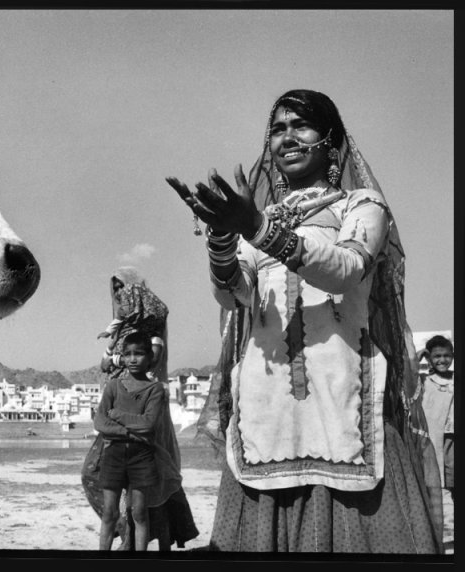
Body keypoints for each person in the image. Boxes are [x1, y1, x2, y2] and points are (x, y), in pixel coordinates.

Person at [166, 89, 443, 553]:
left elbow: (346, 268)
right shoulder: (263, 218)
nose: (287, 137)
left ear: (331, 144)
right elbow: (234, 294)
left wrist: (257, 229)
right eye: (278, 128)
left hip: (343, 396)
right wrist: (219, 237)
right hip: (268, 405)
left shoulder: (360, 205)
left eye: (301, 125)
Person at [83, 268, 198, 551]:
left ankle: (137, 541)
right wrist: (113, 343)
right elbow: (104, 365)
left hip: (143, 415)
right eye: (116, 290)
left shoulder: (151, 327)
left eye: (123, 288)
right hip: (116, 413)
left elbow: (151, 360)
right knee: (94, 476)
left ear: (136, 289)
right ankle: (125, 533)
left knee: (149, 491)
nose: (119, 295)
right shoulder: (120, 328)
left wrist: (117, 357)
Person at [92, 331, 166, 551]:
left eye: (139, 354)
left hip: (141, 457)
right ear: (122, 357)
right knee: (109, 513)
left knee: (140, 512)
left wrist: (117, 415)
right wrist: (129, 433)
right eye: (128, 354)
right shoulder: (114, 386)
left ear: (150, 357)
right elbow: (99, 422)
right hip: (114, 454)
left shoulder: (154, 389)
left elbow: (149, 423)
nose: (133, 359)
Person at [418, 335, 455, 500]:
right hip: (434, 438)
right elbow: (405, 377)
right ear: (429, 358)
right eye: (437, 356)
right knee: (435, 475)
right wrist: (417, 357)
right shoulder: (424, 381)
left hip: (452, 436)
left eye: (446, 355)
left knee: (453, 473)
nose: (442, 360)